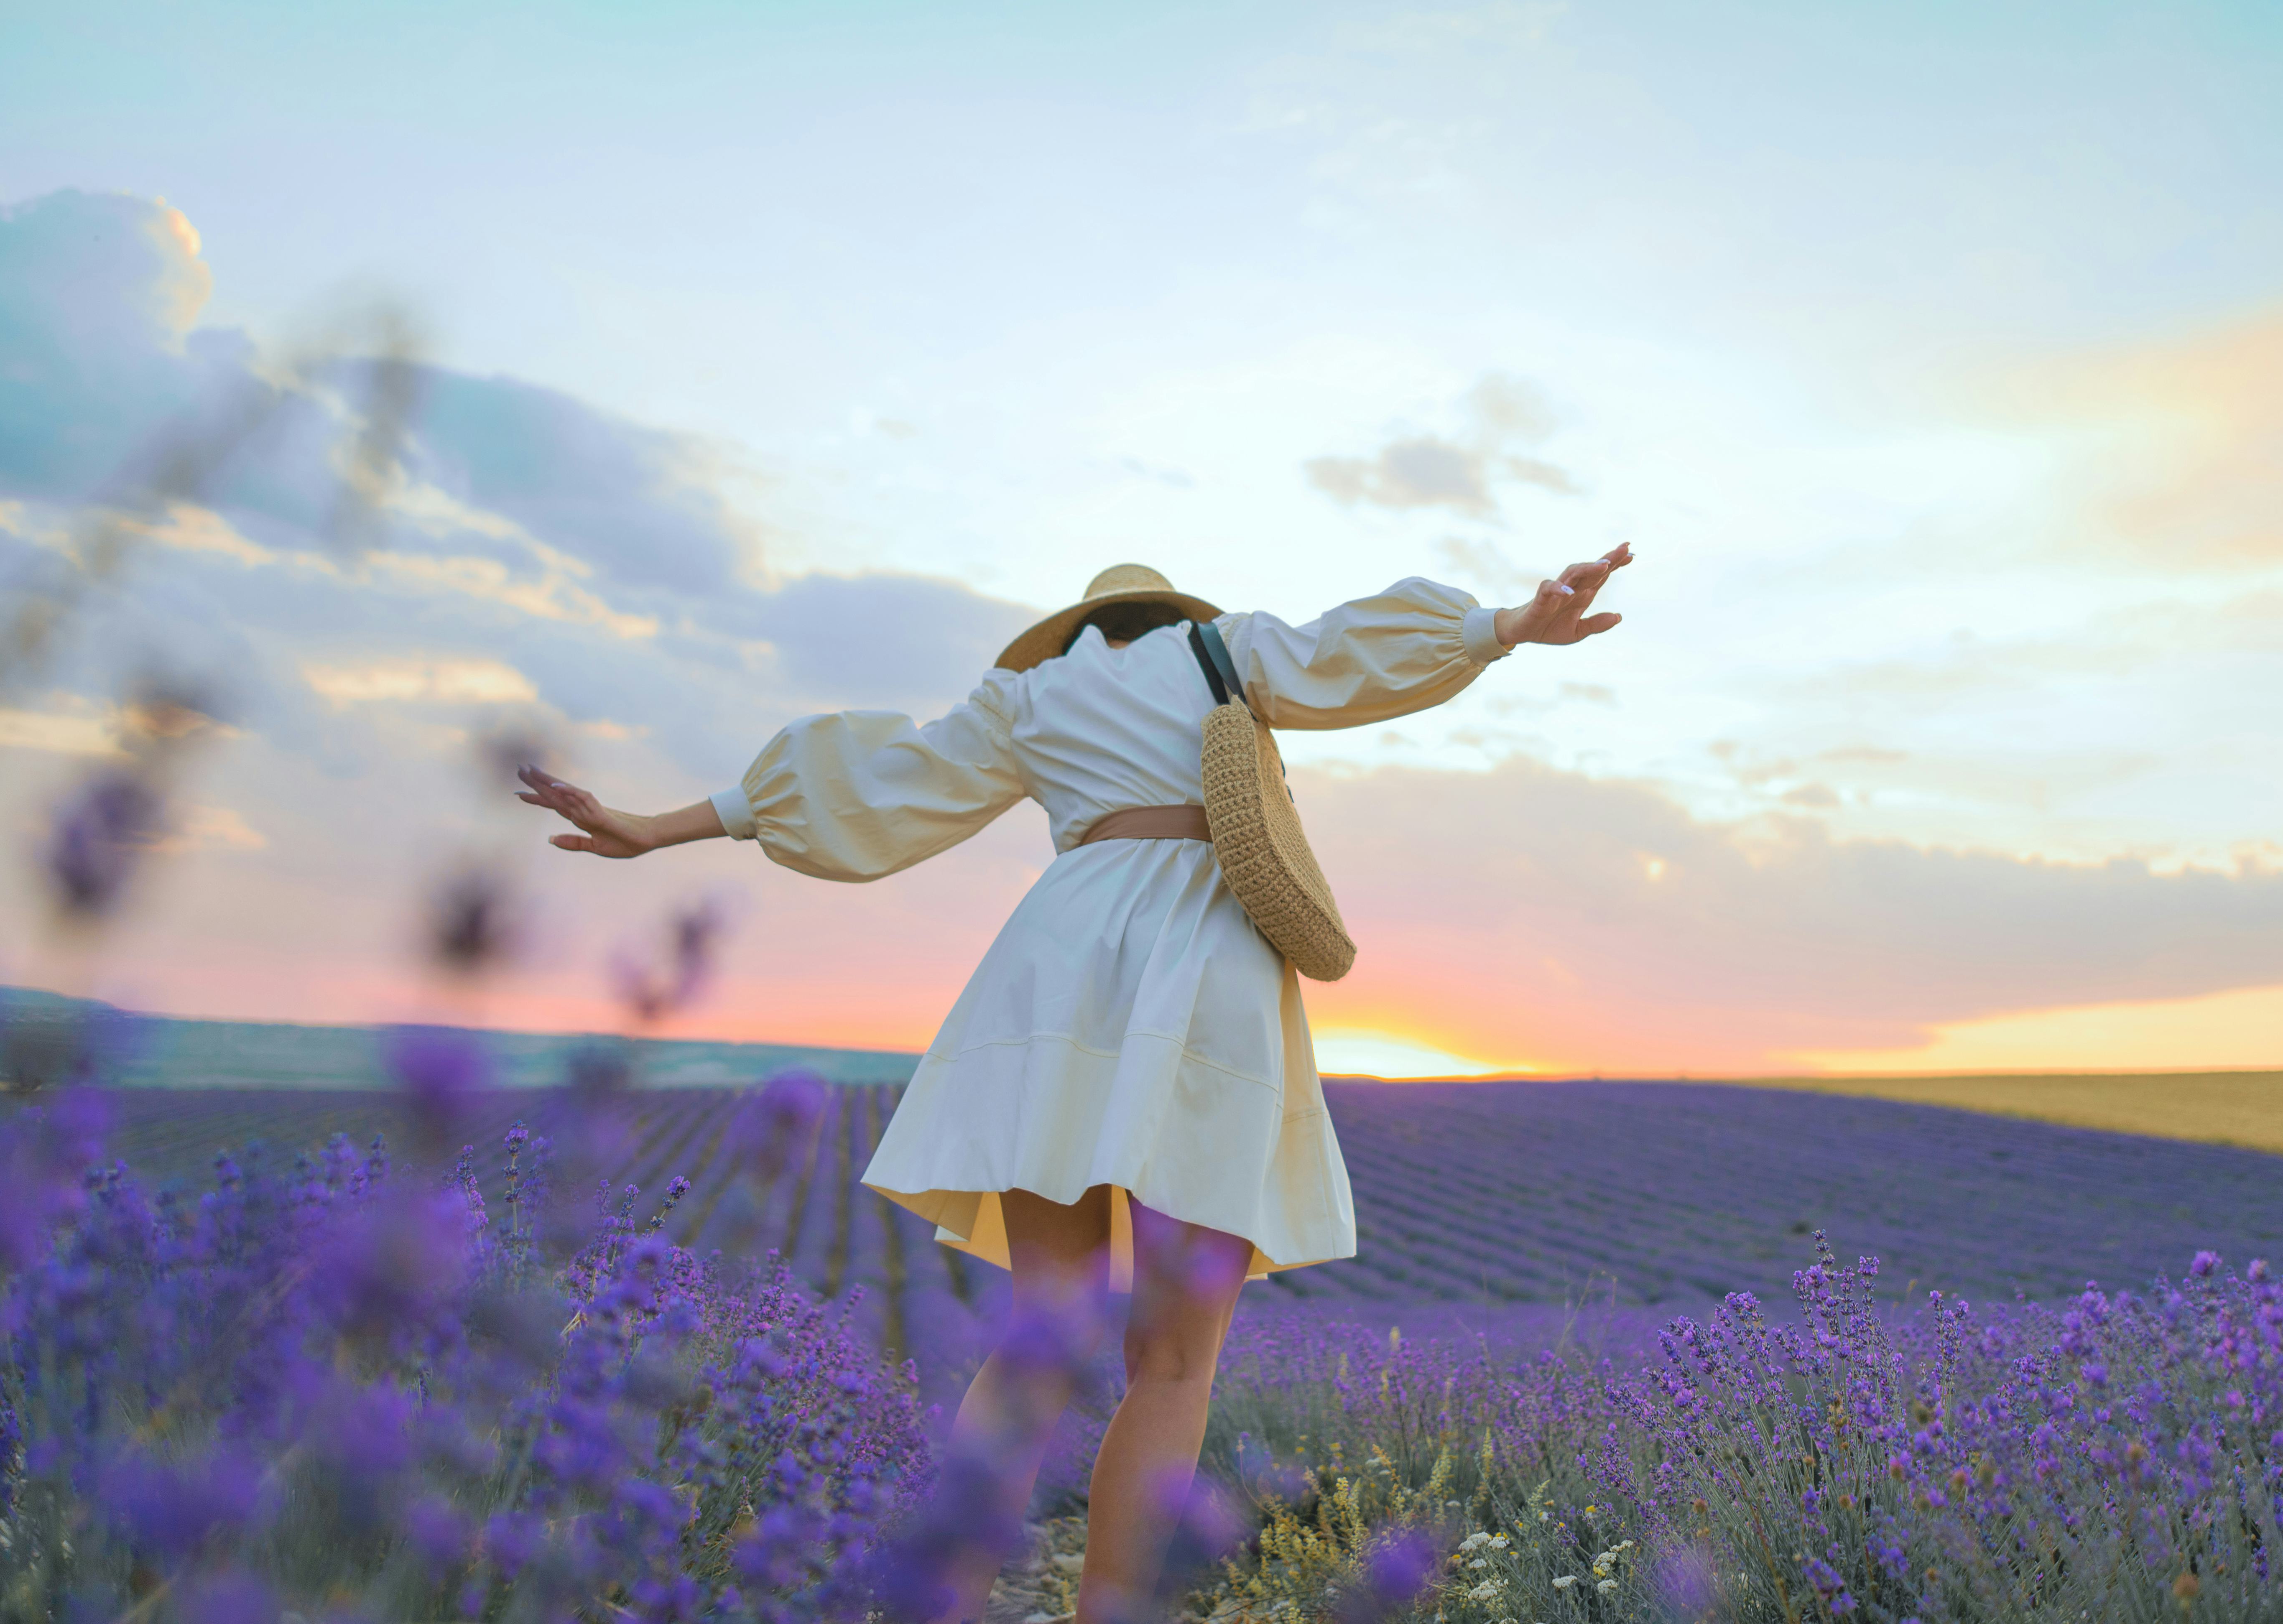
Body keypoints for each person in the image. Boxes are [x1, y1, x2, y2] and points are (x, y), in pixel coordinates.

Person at [516, 543, 1633, 1619]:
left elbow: (873, 782)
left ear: (1082, 630)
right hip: (1204, 970)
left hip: (1052, 973)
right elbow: (1349, 652)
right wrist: (1508, 626)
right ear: (1169, 616)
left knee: (1037, 1332)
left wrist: (660, 829)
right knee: (1175, 1361)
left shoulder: (1028, 697)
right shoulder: (1221, 649)